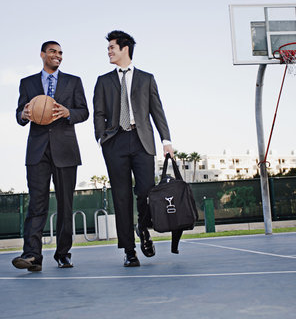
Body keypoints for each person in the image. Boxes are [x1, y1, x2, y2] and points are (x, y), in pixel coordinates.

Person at [93, 30, 174, 267]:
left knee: (146, 192)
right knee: (121, 197)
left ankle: (143, 228)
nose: (108, 51)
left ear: (125, 48)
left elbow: (157, 111)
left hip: (142, 141)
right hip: (114, 142)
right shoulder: (103, 81)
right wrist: (101, 138)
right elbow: (98, 113)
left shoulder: (146, 78)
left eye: (112, 47)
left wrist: (166, 140)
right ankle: (129, 250)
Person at [12, 41, 89, 271]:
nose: (58, 55)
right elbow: (18, 114)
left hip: (65, 150)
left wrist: (68, 112)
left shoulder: (73, 82)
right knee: (36, 204)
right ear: (42, 54)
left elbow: (84, 111)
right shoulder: (27, 83)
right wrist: (24, 114)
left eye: (61, 53)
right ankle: (32, 255)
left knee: (66, 205)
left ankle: (63, 253)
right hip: (37, 151)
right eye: (53, 52)